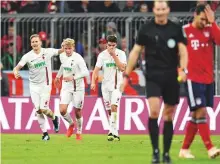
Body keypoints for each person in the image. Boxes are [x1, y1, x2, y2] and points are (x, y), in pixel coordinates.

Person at [121, 1, 188, 163]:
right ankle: (155, 152)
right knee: (154, 111)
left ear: (168, 10)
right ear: (154, 10)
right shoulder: (146, 29)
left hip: (172, 76)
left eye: (163, 9)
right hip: (153, 76)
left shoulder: (175, 28)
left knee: (168, 115)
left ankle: (166, 153)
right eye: (157, 9)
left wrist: (183, 69)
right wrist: (126, 76)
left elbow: (183, 51)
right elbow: (135, 52)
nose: (160, 12)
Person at [179, 4, 220, 159]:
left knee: (197, 115)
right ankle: (210, 148)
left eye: (206, 20)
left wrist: (213, 22)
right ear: (195, 15)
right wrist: (180, 70)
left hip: (208, 78)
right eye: (202, 19)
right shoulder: (184, 31)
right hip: (192, 78)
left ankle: (184, 149)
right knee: (201, 111)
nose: (204, 22)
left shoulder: (210, 29)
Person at [13, 34, 63, 141]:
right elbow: (17, 68)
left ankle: (55, 118)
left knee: (43, 108)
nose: (35, 43)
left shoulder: (47, 52)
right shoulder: (27, 56)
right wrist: (16, 72)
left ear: (40, 42)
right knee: (38, 110)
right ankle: (45, 134)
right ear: (31, 44)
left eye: (36, 41)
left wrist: (66, 47)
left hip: (45, 85)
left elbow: (60, 51)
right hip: (34, 86)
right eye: (33, 42)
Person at [91, 35, 127, 141]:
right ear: (107, 44)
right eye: (109, 45)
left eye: (113, 45)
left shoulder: (121, 54)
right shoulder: (102, 55)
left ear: (116, 45)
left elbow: (122, 68)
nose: (111, 47)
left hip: (117, 86)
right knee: (110, 111)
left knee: (114, 106)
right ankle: (113, 131)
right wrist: (93, 82)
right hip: (105, 87)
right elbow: (96, 70)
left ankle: (113, 132)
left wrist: (114, 55)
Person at [54, 38, 89, 140]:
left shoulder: (78, 58)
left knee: (77, 111)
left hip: (78, 88)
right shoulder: (62, 55)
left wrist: (73, 77)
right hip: (66, 87)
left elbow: (86, 72)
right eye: (66, 49)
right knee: (62, 110)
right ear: (63, 48)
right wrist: (58, 76)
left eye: (70, 48)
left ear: (73, 48)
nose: (68, 51)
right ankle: (71, 124)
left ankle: (79, 131)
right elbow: (63, 66)